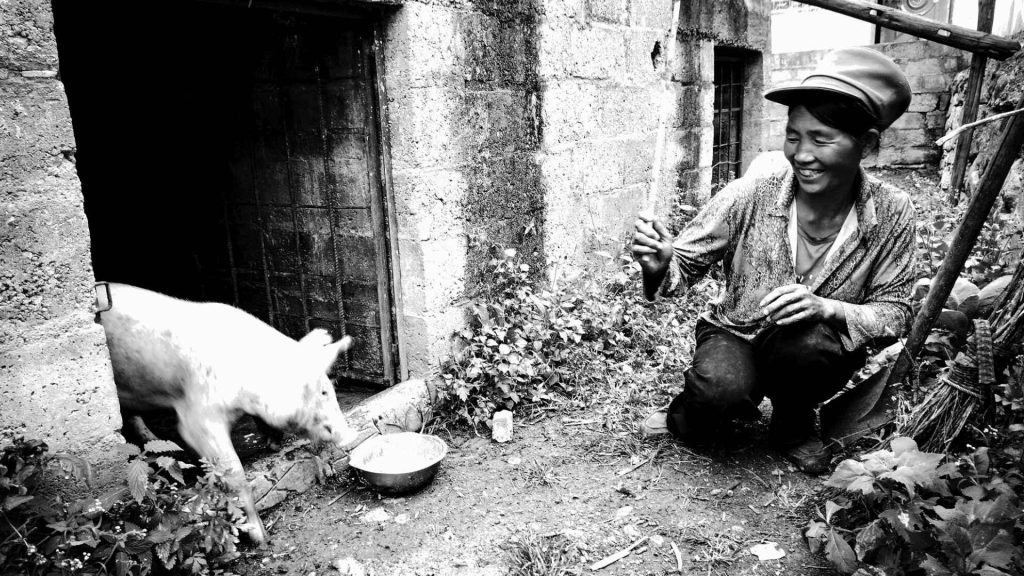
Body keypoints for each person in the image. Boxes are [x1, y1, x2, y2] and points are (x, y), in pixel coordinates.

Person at [631, 47, 916, 474]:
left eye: (821, 139)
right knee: (718, 395)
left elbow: (897, 312)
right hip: (737, 333)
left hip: (810, 349)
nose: (801, 154)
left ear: (868, 146)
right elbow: (682, 265)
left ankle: (793, 423)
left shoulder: (891, 212)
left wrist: (828, 308)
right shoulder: (750, 195)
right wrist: (660, 261)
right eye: (793, 136)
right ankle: (693, 410)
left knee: (812, 343)